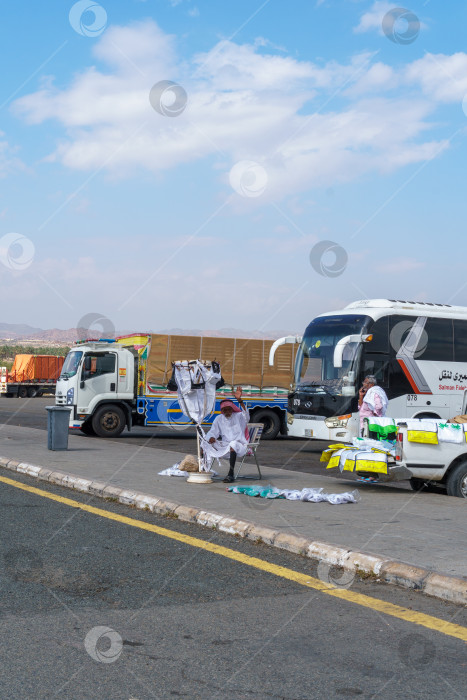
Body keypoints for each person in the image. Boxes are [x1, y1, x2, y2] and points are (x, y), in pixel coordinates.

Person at [204, 387, 250, 483]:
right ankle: (204, 469)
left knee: (233, 443)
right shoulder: (219, 418)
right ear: (222, 410)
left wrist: (240, 400)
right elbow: (213, 431)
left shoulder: (239, 416)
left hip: (240, 445)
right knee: (205, 442)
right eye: (224, 409)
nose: (227, 411)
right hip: (225, 446)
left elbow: (246, 415)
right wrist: (211, 437)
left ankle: (230, 474)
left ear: (232, 409)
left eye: (229, 409)